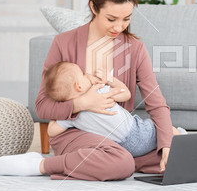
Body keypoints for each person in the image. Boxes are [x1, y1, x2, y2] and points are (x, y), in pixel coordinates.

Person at [0, 0, 177, 180]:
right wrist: (82, 104)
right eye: (111, 19)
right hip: (76, 134)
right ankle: (42, 165)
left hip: (120, 136)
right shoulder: (64, 43)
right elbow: (42, 106)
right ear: (94, 8)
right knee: (120, 164)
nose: (119, 27)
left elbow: (156, 102)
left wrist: (166, 145)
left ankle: (132, 159)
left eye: (126, 19)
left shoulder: (135, 48)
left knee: (178, 149)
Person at [44, 61, 185, 157]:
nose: (86, 75)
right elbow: (125, 93)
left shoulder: (72, 117)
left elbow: (51, 130)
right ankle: (183, 138)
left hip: (121, 148)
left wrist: (61, 113)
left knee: (156, 143)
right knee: (166, 129)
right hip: (137, 132)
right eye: (82, 74)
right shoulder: (98, 92)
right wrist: (108, 79)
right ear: (78, 86)